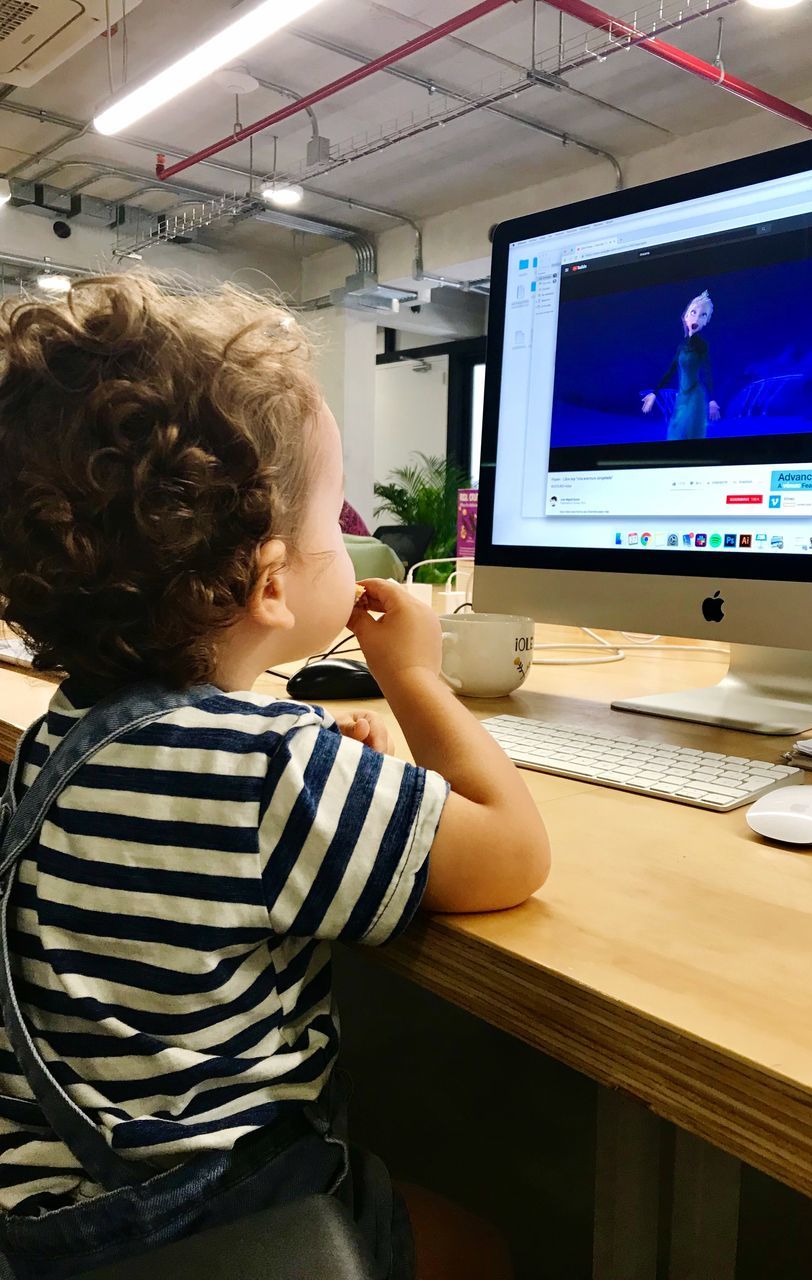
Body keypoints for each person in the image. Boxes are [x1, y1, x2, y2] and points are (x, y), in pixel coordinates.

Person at [0, 276, 549, 1280]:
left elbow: (206, 812)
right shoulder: (269, 773)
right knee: (482, 1248)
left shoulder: (63, 734)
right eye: (334, 523)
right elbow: (512, 852)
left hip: (45, 1203)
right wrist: (412, 674)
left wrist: (330, 768)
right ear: (269, 581)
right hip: (192, 1221)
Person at [641, 290, 721, 440]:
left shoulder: (702, 345)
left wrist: (712, 400)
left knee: (691, 432)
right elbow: (670, 371)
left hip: (695, 395)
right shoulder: (681, 346)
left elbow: (707, 371)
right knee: (675, 431)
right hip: (682, 396)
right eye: (693, 312)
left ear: (706, 321)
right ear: (685, 316)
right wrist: (654, 393)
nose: (696, 318)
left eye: (703, 315)